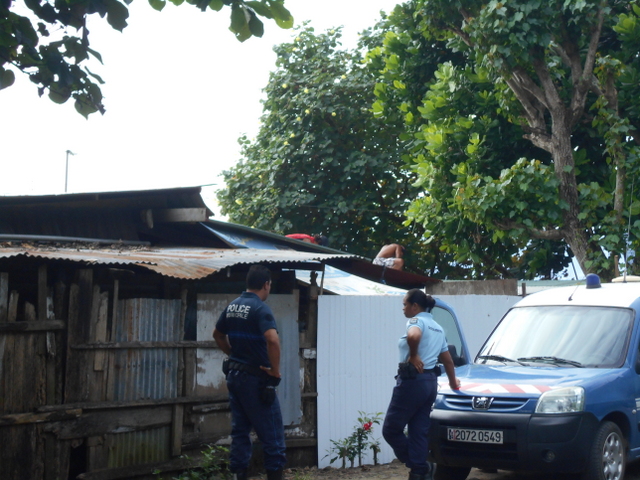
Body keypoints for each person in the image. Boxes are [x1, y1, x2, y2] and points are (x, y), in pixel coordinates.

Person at [212, 265, 286, 480]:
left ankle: (238, 475)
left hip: (235, 377)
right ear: (266, 284)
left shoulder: (233, 306)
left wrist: (233, 354)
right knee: (272, 436)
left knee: (240, 433)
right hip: (256, 380)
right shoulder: (260, 308)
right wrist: (275, 371)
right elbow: (272, 339)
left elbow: (217, 335)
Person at [382, 289, 461, 480]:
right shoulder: (438, 328)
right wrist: (453, 382)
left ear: (415, 306)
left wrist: (414, 354)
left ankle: (419, 465)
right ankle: (418, 473)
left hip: (412, 382)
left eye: (405, 304)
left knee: (391, 430)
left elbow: (413, 337)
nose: (403, 308)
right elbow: (448, 360)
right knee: (418, 431)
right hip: (429, 384)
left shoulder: (416, 321)